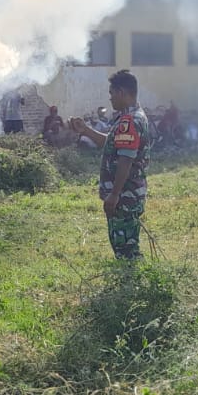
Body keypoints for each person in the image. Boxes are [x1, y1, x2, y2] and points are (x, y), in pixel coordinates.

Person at [68, 70, 152, 260]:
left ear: (122, 92)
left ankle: (132, 285)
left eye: (112, 93)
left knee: (126, 250)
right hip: (128, 195)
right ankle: (130, 283)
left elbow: (126, 159)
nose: (111, 98)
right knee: (125, 245)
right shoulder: (131, 117)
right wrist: (86, 131)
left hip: (124, 196)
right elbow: (113, 143)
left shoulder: (129, 121)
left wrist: (114, 195)